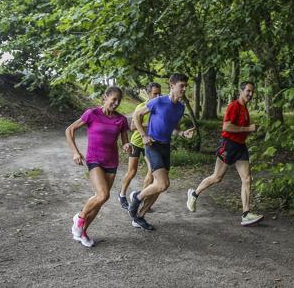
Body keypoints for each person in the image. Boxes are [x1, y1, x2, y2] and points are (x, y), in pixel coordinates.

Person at [186, 81, 263, 226]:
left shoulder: (245, 108)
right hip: (228, 145)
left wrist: (249, 129)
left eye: (252, 92)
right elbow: (226, 126)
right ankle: (194, 194)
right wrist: (247, 129)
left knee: (247, 179)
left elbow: (241, 127)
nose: (250, 94)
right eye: (248, 91)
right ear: (241, 91)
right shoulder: (234, 106)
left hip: (240, 147)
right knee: (217, 177)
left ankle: (246, 214)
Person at [65, 86, 131, 247]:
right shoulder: (92, 114)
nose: (116, 103)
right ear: (105, 97)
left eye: (119, 100)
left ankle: (83, 231)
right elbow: (70, 130)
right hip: (95, 160)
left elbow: (124, 141)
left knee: (99, 199)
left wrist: (127, 146)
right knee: (103, 195)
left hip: (112, 162)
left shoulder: (121, 120)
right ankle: (79, 218)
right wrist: (75, 152)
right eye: (113, 99)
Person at [128, 73, 196, 230]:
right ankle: (137, 198)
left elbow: (175, 129)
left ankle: (139, 217)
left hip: (165, 147)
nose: (184, 89)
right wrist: (143, 136)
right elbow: (136, 115)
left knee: (160, 187)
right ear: (172, 86)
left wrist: (182, 133)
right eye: (182, 86)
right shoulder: (158, 101)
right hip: (152, 145)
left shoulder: (180, 108)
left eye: (186, 86)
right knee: (163, 183)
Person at [118, 82, 162, 210]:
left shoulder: (160, 108)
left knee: (152, 172)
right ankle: (122, 195)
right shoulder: (142, 107)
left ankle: (141, 199)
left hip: (151, 144)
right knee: (132, 171)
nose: (158, 96)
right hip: (137, 143)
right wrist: (151, 126)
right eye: (155, 94)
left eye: (160, 93)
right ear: (148, 93)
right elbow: (132, 127)